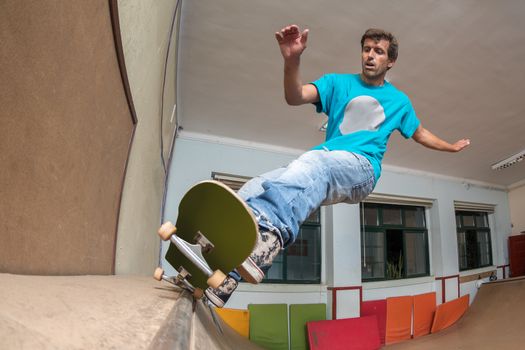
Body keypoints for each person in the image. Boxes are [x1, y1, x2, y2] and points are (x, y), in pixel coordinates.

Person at [205, 25, 470, 307]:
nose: (370, 56)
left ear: (390, 61)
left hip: (362, 170)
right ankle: (223, 272)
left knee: (316, 163)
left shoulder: (399, 101)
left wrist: (451, 146)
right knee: (255, 187)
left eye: (378, 51)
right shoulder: (337, 83)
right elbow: (294, 96)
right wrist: (291, 59)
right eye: (366, 49)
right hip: (325, 163)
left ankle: (269, 238)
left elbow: (420, 133)